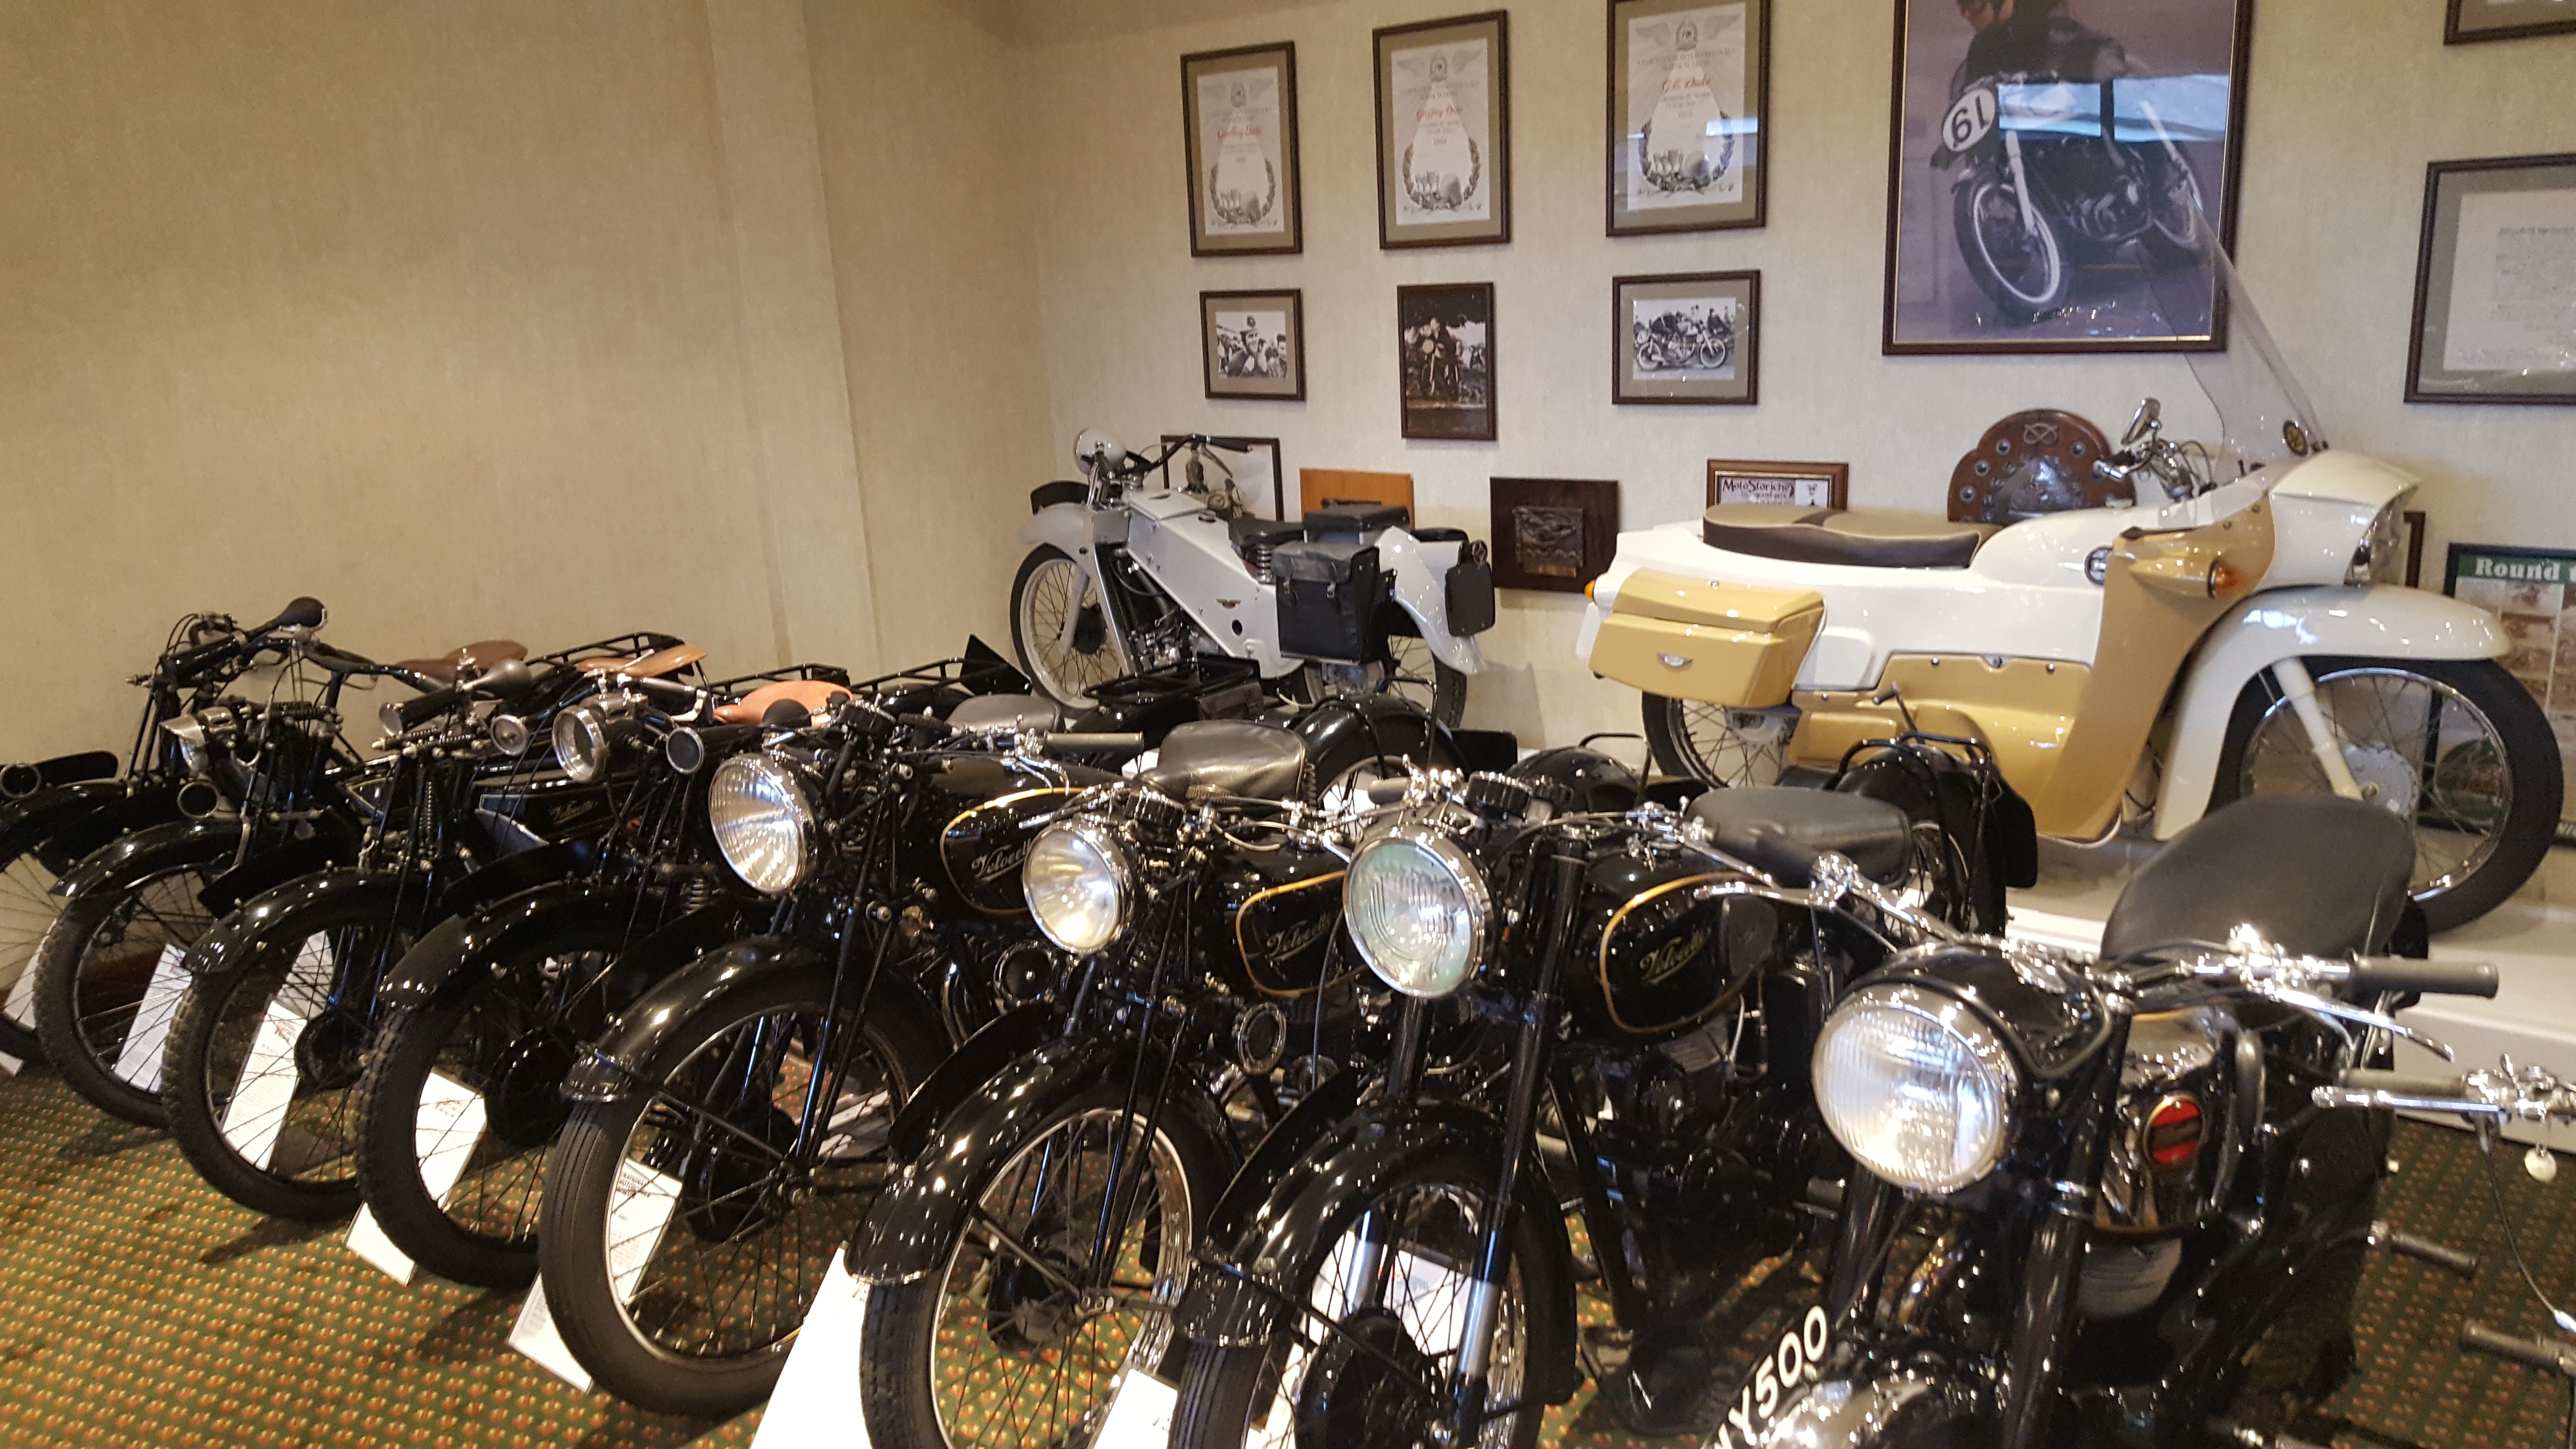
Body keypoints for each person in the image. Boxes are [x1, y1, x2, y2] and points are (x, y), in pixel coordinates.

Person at [1954, 0, 2128, 88]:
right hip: (2010, 144)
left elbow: (2104, 54)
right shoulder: (1981, 49)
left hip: (2065, 140)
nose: (1966, 15)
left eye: (1973, 4)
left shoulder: (2061, 34)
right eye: (1962, 5)